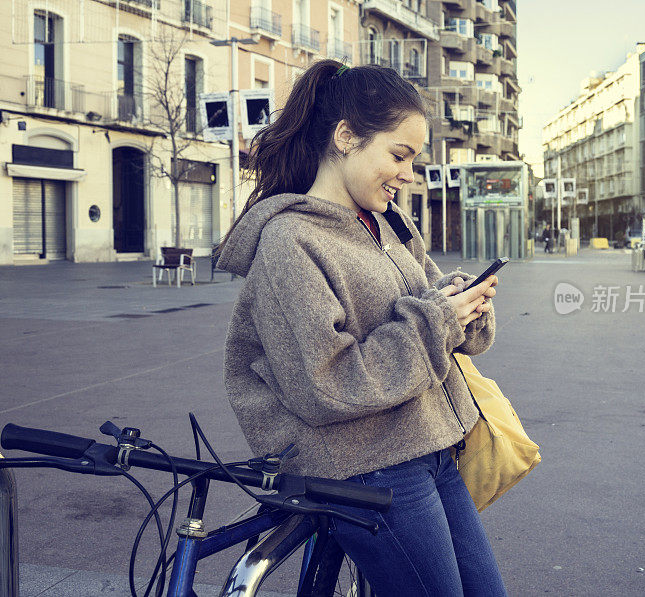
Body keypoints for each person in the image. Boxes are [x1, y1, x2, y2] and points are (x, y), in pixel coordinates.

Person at [216, 60, 506, 597]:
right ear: (346, 137)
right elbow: (326, 384)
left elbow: (435, 316)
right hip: (365, 467)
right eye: (399, 155)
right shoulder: (291, 243)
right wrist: (438, 318)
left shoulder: (390, 221)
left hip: (431, 447)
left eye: (414, 159)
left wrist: (464, 304)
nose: (408, 173)